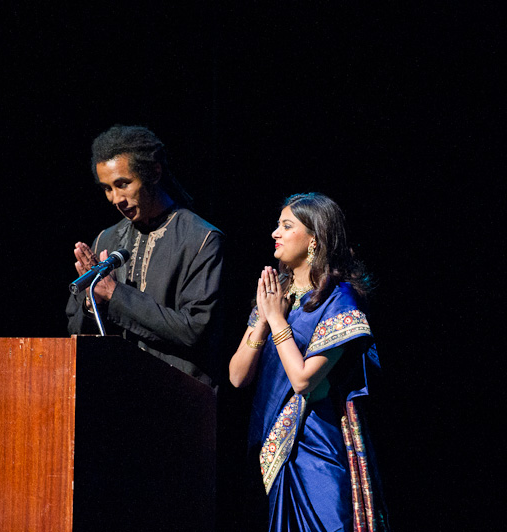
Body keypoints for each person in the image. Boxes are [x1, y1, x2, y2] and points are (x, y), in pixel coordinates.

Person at [229, 192, 389, 531]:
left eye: (287, 226)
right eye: (278, 225)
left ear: (314, 238)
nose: (275, 233)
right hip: (268, 442)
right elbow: (237, 377)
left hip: (316, 448)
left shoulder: (339, 300)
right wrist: (263, 319)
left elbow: (303, 380)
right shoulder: (276, 294)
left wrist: (277, 320)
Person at [66, 125, 224, 386]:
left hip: (179, 393)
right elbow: (76, 332)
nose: (115, 199)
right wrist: (93, 302)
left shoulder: (201, 239)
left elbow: (194, 330)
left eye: (123, 184)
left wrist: (115, 293)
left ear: (154, 173)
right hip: (118, 390)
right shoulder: (105, 240)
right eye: (107, 188)